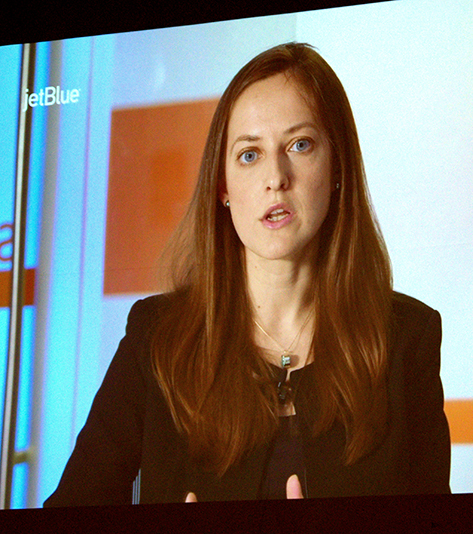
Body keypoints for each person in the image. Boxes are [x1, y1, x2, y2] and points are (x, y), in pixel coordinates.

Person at [44, 42, 450, 506]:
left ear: (337, 167)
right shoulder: (155, 338)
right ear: (222, 187)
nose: (275, 176)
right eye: (249, 155)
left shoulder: (406, 338)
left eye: (300, 145)